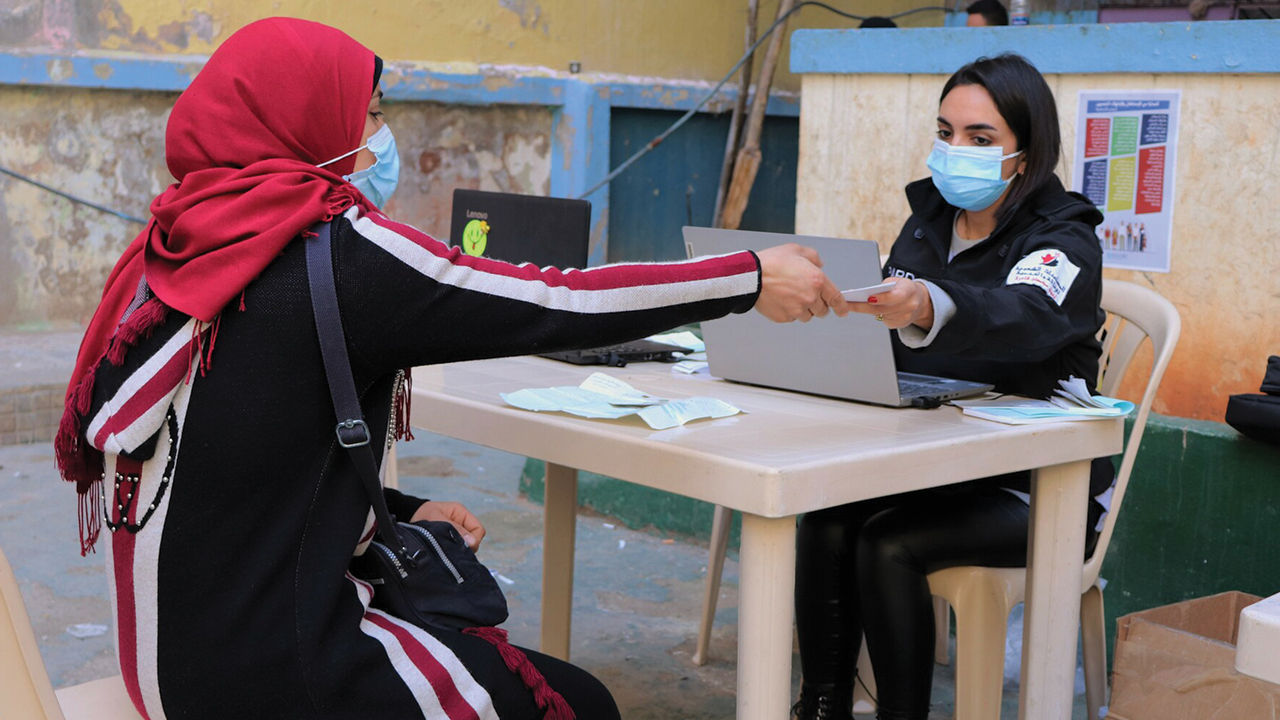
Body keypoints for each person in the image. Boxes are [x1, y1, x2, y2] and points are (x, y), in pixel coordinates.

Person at [53, 18, 849, 720]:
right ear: (304, 120)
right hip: (275, 676)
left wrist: (392, 507)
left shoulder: (178, 244)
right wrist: (745, 278)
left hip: (168, 662)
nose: (375, 139)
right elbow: (560, 301)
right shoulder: (337, 251)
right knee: (584, 701)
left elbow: (239, 463)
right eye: (365, 117)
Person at [792, 53, 1113, 720]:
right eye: (945, 132)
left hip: (1038, 482)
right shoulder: (929, 219)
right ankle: (820, 704)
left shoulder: (1063, 236)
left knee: (888, 542)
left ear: (1026, 153)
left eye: (980, 138)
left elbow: (1024, 316)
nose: (955, 151)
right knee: (825, 517)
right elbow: (892, 324)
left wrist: (929, 306)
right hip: (937, 455)